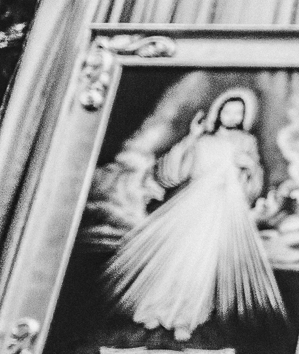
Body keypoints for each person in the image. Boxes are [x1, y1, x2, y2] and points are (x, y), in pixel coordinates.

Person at [104, 87, 285, 340]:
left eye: (239, 112)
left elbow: (252, 187)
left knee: (202, 264)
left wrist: (251, 168)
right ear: (218, 111)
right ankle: (158, 310)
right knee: (176, 258)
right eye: (228, 110)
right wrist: (191, 138)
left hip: (222, 210)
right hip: (192, 206)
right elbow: (174, 174)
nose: (232, 116)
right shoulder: (202, 140)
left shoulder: (246, 143)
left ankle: (185, 318)